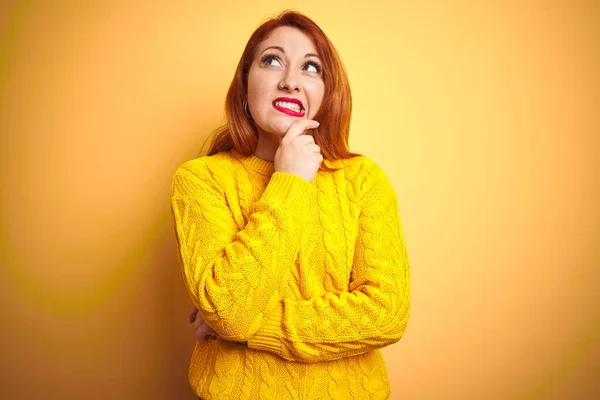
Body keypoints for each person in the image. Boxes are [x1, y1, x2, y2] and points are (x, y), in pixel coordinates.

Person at [170, 10, 411, 400]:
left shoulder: (363, 180)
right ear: (245, 83)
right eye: (272, 60)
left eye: (311, 68)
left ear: (326, 94)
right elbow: (229, 308)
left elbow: (386, 313)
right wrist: (290, 180)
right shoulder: (200, 180)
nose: (290, 81)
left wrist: (247, 331)